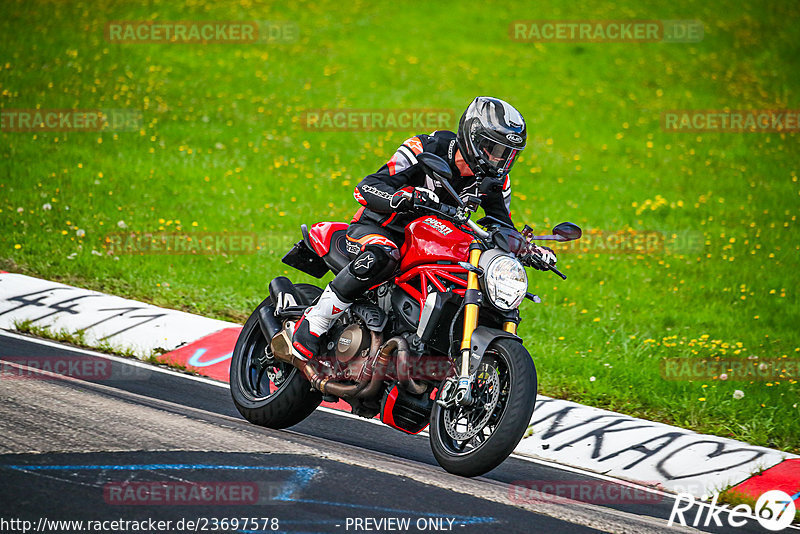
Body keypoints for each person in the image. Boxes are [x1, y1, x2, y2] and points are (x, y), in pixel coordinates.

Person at [292, 96, 556, 360]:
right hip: (380, 228)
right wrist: (401, 198)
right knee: (382, 255)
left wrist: (526, 248)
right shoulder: (424, 147)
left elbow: (500, 225)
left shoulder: (496, 181)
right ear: (473, 138)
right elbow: (367, 187)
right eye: (493, 149)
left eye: (507, 154)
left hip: (434, 240)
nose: (499, 160)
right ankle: (315, 323)